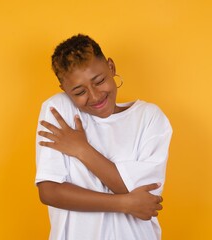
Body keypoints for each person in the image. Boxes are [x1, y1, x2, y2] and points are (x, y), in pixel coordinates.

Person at [35, 34, 172, 240]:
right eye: (79, 91)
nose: (95, 96)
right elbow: (50, 191)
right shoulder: (59, 109)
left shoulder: (149, 117)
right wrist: (125, 203)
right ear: (65, 91)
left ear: (111, 67)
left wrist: (82, 150)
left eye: (99, 81)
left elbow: (140, 195)